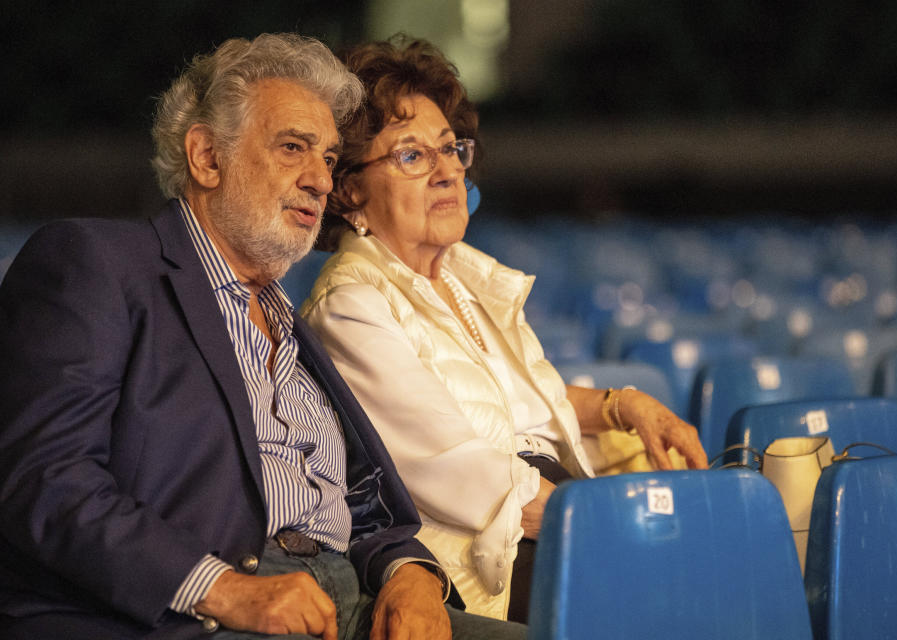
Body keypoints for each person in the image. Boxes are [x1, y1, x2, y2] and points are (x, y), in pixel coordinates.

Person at [0, 33, 524, 640]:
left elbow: (365, 508)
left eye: (328, 158)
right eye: (293, 148)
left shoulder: (290, 322)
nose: (320, 181)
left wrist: (410, 572)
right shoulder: (97, 264)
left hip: (351, 607)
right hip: (189, 616)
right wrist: (223, 589)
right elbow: (44, 479)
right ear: (206, 157)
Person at [300, 36, 709, 623]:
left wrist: (627, 405)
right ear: (349, 189)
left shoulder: (463, 278)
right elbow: (462, 469)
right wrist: (612, 519)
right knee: (698, 573)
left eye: (450, 148)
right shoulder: (351, 305)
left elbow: (519, 403)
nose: (446, 171)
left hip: (556, 514)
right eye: (412, 156)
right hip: (492, 558)